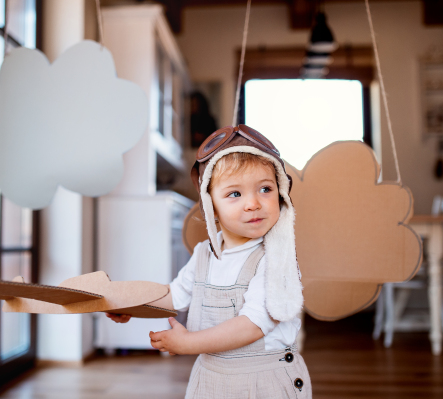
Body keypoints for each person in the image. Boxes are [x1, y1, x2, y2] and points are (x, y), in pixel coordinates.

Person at [107, 124, 312, 398]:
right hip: (212, 378)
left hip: (265, 380)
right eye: (235, 194)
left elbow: (253, 324)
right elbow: (174, 295)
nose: (253, 203)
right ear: (211, 206)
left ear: (281, 194)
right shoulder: (205, 254)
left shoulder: (277, 256)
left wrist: (189, 343)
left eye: (265, 189)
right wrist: (134, 304)